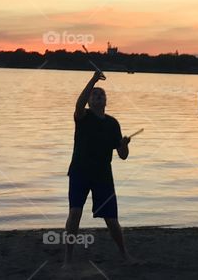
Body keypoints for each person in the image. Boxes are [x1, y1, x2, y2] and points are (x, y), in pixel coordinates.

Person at [63, 70, 132, 266]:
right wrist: (93, 79)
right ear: (89, 101)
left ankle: (124, 254)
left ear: (106, 101)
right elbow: (78, 104)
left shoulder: (112, 123)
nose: (98, 96)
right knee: (75, 213)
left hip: (102, 176)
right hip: (79, 172)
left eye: (101, 94)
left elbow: (123, 155)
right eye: (94, 94)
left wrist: (125, 144)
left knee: (111, 219)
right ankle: (68, 259)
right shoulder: (83, 116)